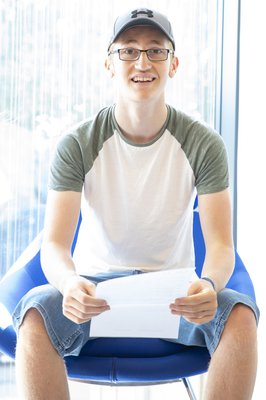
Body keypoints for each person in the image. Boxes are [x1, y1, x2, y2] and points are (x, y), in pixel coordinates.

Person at [13, 8, 259, 400]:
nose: (142, 62)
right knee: (35, 312)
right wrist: (69, 282)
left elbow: (221, 246)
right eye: (128, 51)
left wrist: (209, 284)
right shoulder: (78, 143)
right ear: (109, 64)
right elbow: (55, 245)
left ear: (173, 64)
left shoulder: (203, 144)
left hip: (175, 293)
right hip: (96, 293)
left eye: (155, 51)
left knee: (241, 315)